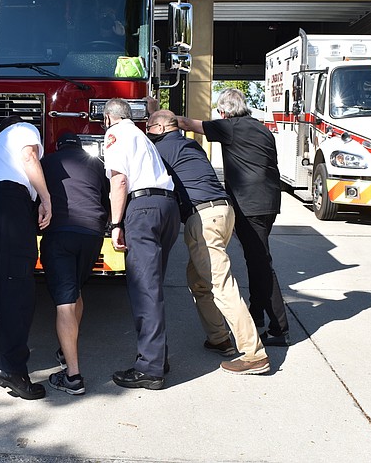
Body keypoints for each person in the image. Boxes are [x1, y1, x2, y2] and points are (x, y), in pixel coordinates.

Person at [147, 110, 270, 375]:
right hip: (224, 213)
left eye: (148, 126)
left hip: (203, 218)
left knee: (220, 285)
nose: (147, 131)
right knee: (198, 280)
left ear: (158, 128)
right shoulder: (191, 145)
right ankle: (219, 338)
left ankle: (254, 354)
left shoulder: (160, 150)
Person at [176, 88, 290, 347]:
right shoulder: (261, 128)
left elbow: (185, 123)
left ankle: (279, 328)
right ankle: (257, 315)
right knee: (255, 259)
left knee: (261, 264)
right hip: (269, 201)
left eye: (220, 112)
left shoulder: (229, 127)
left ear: (224, 112)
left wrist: (152, 112)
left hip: (249, 205)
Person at [0, 115, 52, 400]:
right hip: (12, 202)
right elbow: (30, 158)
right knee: (17, 285)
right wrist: (46, 199)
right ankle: (13, 370)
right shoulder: (23, 129)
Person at [103, 99, 179, 390]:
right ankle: (158, 357)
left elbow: (119, 181)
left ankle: (149, 369)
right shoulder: (141, 136)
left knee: (145, 290)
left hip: (144, 208)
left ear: (109, 117)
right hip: (167, 207)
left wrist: (116, 224)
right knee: (154, 287)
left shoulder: (116, 134)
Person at [40, 132, 108, 395]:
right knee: (76, 292)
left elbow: (35, 197)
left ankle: (73, 376)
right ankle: (64, 349)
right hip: (91, 234)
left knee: (65, 303)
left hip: (60, 234)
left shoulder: (47, 162)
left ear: (58, 147)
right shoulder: (96, 164)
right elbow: (105, 197)